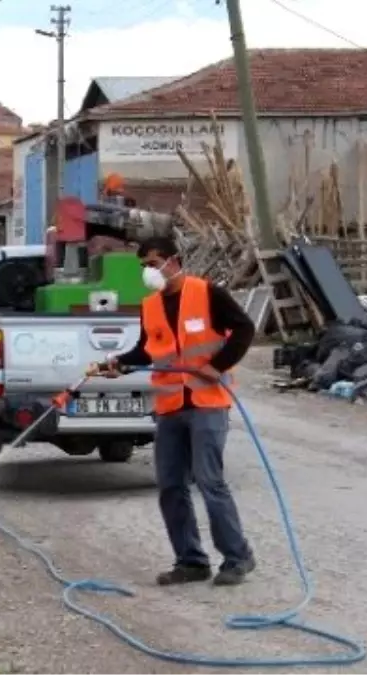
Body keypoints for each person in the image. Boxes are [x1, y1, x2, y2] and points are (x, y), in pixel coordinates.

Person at [87, 234, 257, 587]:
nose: (148, 271)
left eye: (152, 263)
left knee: (210, 481)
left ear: (172, 260)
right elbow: (148, 350)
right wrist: (117, 363)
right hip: (169, 407)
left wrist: (219, 364)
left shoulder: (207, 293)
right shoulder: (150, 306)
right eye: (144, 266)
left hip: (207, 403)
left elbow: (245, 328)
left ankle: (237, 557)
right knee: (170, 485)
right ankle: (191, 561)